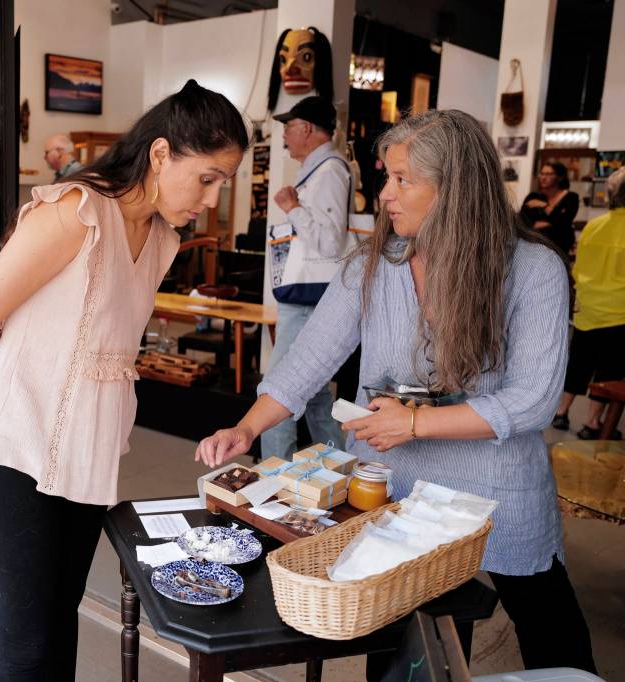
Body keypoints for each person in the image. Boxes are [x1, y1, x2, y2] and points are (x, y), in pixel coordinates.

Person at [196, 110, 596, 676]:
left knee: (549, 631)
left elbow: (532, 399)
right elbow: (309, 358)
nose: (384, 194)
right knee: (404, 640)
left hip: (497, 489)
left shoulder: (532, 271)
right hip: (394, 483)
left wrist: (413, 424)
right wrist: (248, 427)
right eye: (386, 177)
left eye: (402, 180)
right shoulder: (372, 267)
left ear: (455, 189)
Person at [0, 80, 248, 681]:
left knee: (62, 618)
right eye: (208, 178)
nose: (211, 200)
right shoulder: (73, 211)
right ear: (162, 154)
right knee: (28, 640)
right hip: (13, 450)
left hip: (87, 455)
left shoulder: (162, 238)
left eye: (224, 184)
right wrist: (20, 391)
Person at [262, 95, 349, 459]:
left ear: (307, 128)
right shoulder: (318, 170)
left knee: (278, 388)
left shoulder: (330, 171)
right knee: (313, 392)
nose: (284, 134)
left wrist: (292, 208)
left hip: (307, 301)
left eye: (289, 126)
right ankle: (343, 463)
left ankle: (271, 476)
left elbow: (330, 243)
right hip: (305, 299)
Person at [552, 166, 625, 438]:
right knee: (608, 371)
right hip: (619, 313)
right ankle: (593, 423)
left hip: (587, 307)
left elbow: (579, 265)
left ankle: (561, 412)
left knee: (579, 363)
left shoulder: (594, 226)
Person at [520, 162, 579, 256]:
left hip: (560, 248)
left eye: (548, 174)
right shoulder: (533, 196)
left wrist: (544, 206)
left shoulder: (571, 197)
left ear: (560, 177)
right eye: (542, 174)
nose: (543, 177)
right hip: (534, 248)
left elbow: (565, 222)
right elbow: (523, 222)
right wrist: (552, 222)